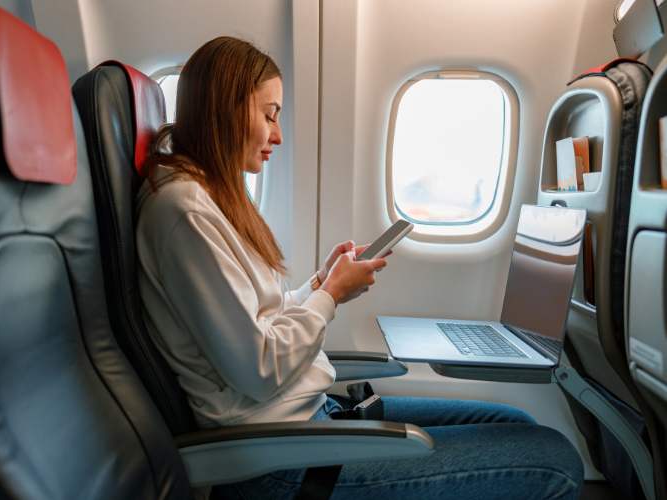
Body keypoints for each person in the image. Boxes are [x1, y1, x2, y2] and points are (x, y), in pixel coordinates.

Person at [136, 36, 583, 499]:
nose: (278, 135)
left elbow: (257, 319)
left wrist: (320, 283)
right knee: (556, 461)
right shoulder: (184, 212)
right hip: (278, 457)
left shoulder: (209, 198)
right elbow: (259, 368)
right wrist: (330, 297)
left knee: (514, 423)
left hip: (303, 421)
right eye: (269, 115)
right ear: (224, 108)